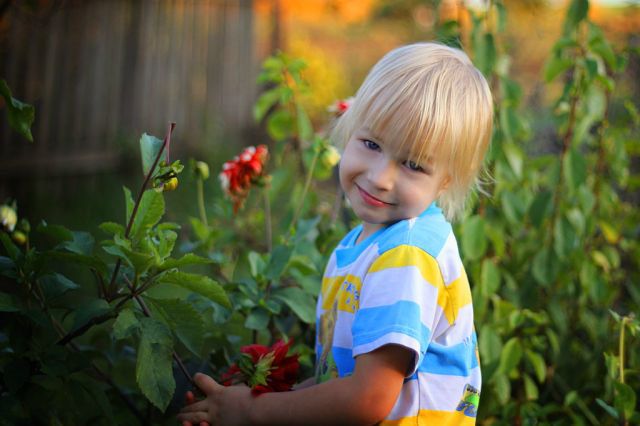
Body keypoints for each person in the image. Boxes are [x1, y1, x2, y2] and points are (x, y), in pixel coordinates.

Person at [178, 41, 493, 426]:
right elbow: (342, 382)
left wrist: (252, 411)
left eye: (413, 164)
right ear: (349, 129)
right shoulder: (367, 243)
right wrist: (258, 403)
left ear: (445, 181)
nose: (380, 178)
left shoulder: (407, 256)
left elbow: (368, 398)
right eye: (371, 143)